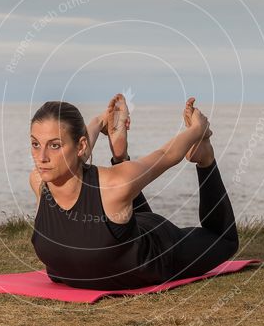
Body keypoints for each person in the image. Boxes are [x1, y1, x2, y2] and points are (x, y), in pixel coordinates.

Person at [29, 94, 239, 290]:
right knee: (110, 189)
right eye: (35, 144)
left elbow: (165, 155)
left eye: (54, 145)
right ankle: (120, 157)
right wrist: (100, 122)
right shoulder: (39, 181)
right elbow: (76, 156)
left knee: (225, 241)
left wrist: (196, 130)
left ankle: (205, 158)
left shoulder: (114, 184)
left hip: (154, 248)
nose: (42, 157)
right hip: (119, 224)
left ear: (81, 145)